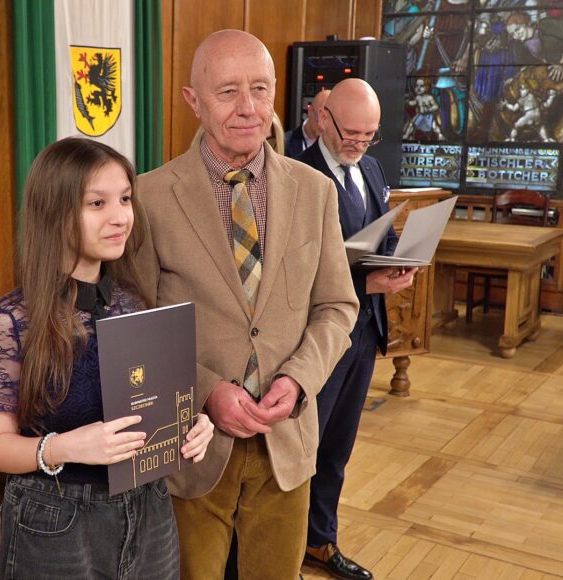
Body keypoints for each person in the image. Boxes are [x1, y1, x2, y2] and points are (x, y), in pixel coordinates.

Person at [135, 29, 359, 579]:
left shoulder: (315, 191)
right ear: (193, 100)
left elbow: (337, 307)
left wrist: (299, 380)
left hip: (286, 442)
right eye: (227, 91)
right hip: (190, 448)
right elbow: (135, 329)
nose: (248, 108)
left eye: (260, 89)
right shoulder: (149, 197)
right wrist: (207, 391)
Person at [0, 137, 215, 580]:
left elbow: (148, 406)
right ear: (55, 212)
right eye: (97, 203)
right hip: (56, 517)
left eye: (125, 199)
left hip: (148, 507)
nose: (120, 217)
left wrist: (190, 424)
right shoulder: (10, 321)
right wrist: (66, 447)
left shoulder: (134, 302)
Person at [295, 79, 417, 580]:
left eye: (370, 135)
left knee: (337, 449)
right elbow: (295, 271)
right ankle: (285, 550)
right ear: (324, 119)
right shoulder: (298, 175)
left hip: (365, 331)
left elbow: (381, 235)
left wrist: (399, 261)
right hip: (317, 336)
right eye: (351, 134)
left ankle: (320, 541)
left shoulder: (371, 168)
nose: (360, 144)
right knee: (304, 448)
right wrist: (366, 282)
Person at [284, 88, 330, 158]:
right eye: (319, 118)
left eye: (328, 121)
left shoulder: (338, 145)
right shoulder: (284, 143)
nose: (323, 127)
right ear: (310, 111)